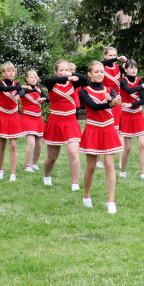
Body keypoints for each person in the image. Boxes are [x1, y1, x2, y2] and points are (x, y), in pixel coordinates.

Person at [79, 61, 123, 214]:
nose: (99, 74)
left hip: (108, 129)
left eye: (101, 72)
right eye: (96, 72)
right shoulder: (84, 91)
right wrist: (110, 104)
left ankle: (111, 201)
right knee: (91, 167)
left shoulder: (110, 90)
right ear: (89, 74)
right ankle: (86, 196)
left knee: (109, 165)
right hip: (93, 129)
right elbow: (93, 106)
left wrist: (111, 100)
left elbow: (114, 100)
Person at [42, 60, 87, 190]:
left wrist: (71, 75)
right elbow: (47, 81)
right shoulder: (52, 84)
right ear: (56, 72)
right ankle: (47, 176)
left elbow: (84, 78)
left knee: (73, 152)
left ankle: (75, 184)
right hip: (55, 121)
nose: (64, 72)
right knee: (52, 157)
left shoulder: (73, 83)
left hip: (71, 121)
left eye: (66, 69)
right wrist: (67, 77)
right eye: (61, 70)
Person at [0, 62, 26, 182]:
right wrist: (20, 88)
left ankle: (13, 173)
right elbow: (4, 89)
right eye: (8, 71)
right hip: (3, 115)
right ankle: (0, 170)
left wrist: (20, 93)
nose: (11, 73)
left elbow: (22, 91)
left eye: (13, 70)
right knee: (2, 144)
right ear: (3, 73)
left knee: (13, 145)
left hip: (13, 115)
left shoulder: (17, 83)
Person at [119, 59, 144, 179]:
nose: (133, 70)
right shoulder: (123, 81)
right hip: (126, 115)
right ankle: (123, 170)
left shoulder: (139, 80)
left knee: (142, 145)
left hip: (137, 114)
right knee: (127, 148)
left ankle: (143, 173)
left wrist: (131, 104)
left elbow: (143, 100)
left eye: (135, 67)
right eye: (131, 68)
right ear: (126, 70)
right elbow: (129, 90)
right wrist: (143, 85)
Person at [20, 70, 48, 174]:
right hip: (28, 117)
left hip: (38, 118)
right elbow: (21, 93)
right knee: (31, 143)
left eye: (35, 77)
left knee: (39, 144)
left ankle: (34, 164)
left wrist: (43, 98)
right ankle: (27, 166)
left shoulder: (39, 89)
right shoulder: (24, 89)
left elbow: (48, 99)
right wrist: (32, 90)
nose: (33, 79)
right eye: (31, 77)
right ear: (27, 79)